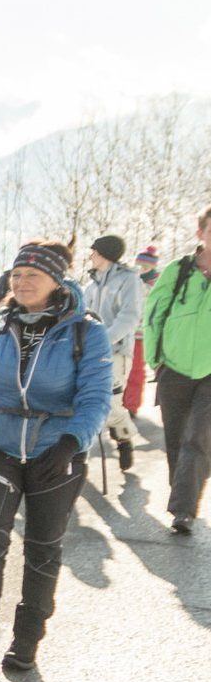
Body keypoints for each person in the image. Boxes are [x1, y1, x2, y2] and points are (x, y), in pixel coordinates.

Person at [0, 241, 112, 670]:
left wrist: (72, 442)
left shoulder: (85, 330)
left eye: (32, 275)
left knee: (42, 548)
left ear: (57, 281)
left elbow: (94, 398)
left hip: (56, 450)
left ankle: (26, 642)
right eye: (16, 275)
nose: (21, 282)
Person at [143, 204, 211, 535]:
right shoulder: (178, 270)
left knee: (199, 435)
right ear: (200, 234)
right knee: (176, 437)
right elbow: (154, 314)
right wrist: (155, 359)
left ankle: (183, 509)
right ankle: (184, 490)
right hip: (174, 367)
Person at [80, 234, 145, 471]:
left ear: (104, 253)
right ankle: (78, 453)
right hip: (87, 352)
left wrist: (102, 340)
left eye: (94, 251)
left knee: (110, 404)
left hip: (115, 350)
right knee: (83, 401)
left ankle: (123, 437)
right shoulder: (89, 285)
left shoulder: (129, 280)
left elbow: (129, 316)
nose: (90, 255)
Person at [127, 245, 162, 415]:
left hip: (145, 333)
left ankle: (132, 405)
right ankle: (123, 403)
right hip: (128, 332)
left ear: (153, 266)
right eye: (139, 265)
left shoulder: (157, 283)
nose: (141, 269)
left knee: (136, 370)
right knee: (124, 369)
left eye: (145, 267)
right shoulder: (131, 279)